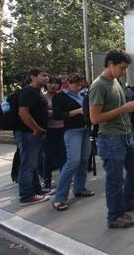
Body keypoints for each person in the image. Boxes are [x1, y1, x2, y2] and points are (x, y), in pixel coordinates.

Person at [89, 50, 134, 229]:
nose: (124, 72)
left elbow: (120, 107)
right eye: (122, 68)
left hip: (125, 135)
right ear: (110, 65)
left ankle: (128, 199)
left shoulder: (116, 81)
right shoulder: (99, 86)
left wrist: (130, 107)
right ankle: (115, 216)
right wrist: (124, 108)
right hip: (110, 139)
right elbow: (95, 118)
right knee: (115, 180)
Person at [51, 73, 94, 211]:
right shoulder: (60, 97)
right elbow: (57, 115)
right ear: (68, 83)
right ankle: (59, 197)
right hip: (72, 131)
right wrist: (77, 111)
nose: (78, 86)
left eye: (80, 83)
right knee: (72, 162)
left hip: (85, 130)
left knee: (83, 160)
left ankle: (80, 188)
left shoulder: (83, 96)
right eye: (75, 83)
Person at [15, 67, 51, 205]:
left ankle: (36, 189)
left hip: (36, 133)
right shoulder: (28, 92)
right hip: (28, 133)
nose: (47, 78)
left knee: (34, 163)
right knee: (28, 164)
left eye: (47, 75)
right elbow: (23, 113)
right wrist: (35, 129)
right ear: (33, 77)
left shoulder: (37, 92)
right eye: (43, 75)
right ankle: (26, 195)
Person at [42, 76, 66, 190]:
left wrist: (53, 112)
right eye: (51, 83)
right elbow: (42, 112)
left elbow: (65, 112)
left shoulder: (62, 96)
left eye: (56, 83)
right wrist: (56, 112)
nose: (53, 85)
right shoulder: (42, 97)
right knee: (48, 156)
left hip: (62, 128)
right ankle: (47, 181)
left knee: (63, 155)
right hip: (48, 130)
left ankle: (64, 179)